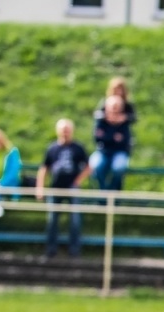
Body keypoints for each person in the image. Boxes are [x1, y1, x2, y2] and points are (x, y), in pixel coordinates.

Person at [37, 119, 91, 259]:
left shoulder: (78, 148)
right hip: (56, 188)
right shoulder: (52, 148)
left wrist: (77, 182)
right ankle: (51, 250)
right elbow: (44, 168)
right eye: (63, 129)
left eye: (67, 129)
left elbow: (88, 167)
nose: (65, 132)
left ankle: (74, 251)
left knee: (75, 220)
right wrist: (40, 187)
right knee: (52, 220)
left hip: (71, 188)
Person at [91, 94, 133, 192]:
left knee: (119, 168)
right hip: (103, 151)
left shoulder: (124, 122)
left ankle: (114, 191)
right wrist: (114, 137)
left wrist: (107, 137)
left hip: (120, 152)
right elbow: (97, 138)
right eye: (112, 108)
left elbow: (124, 140)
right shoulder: (101, 121)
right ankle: (103, 192)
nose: (114, 111)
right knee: (95, 166)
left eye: (117, 108)